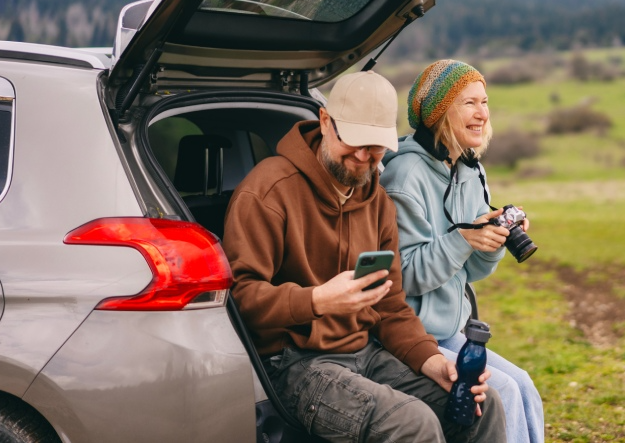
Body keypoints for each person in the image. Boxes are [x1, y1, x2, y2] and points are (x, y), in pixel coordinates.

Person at [222, 70, 505, 443]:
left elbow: (390, 306)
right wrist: (316, 300)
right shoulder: (268, 190)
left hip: (365, 352)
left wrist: (432, 361)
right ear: (325, 122)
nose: (361, 156)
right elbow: (240, 297)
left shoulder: (377, 202)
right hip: (295, 364)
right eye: (353, 140)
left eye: (374, 146)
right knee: (412, 423)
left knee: (482, 406)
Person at [381, 60, 545, 443]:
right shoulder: (404, 177)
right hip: (413, 335)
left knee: (523, 385)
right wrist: (463, 240)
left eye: (484, 102)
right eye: (469, 103)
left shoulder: (470, 170)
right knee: (500, 392)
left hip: (450, 331)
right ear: (439, 112)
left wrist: (493, 240)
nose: (482, 114)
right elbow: (403, 277)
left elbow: (469, 272)